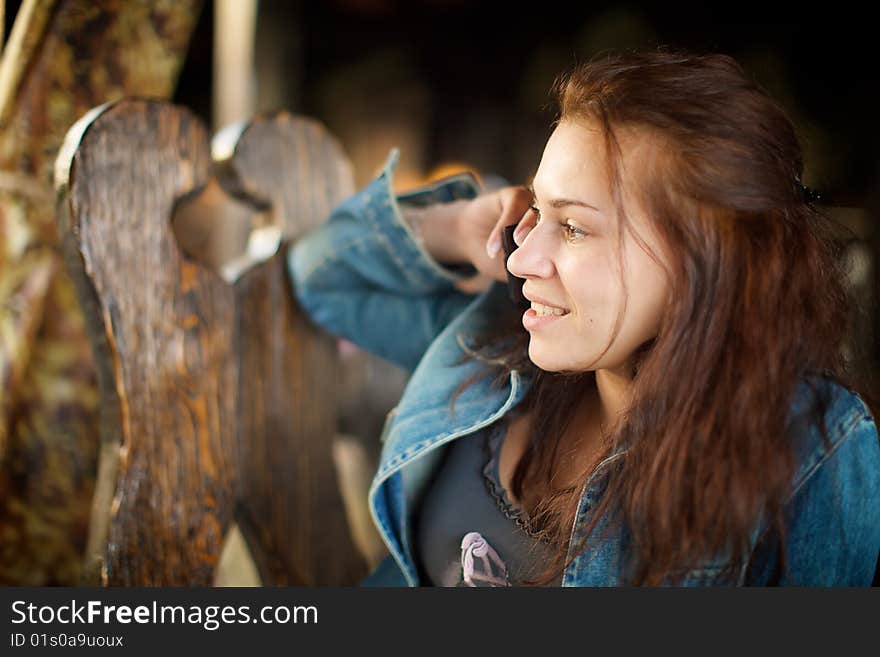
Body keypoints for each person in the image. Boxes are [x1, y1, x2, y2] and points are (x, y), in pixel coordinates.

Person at [287, 49, 880, 586]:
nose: (522, 259)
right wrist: (455, 224)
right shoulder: (495, 338)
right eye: (537, 207)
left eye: (573, 226)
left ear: (705, 261)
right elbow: (322, 276)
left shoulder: (813, 447)